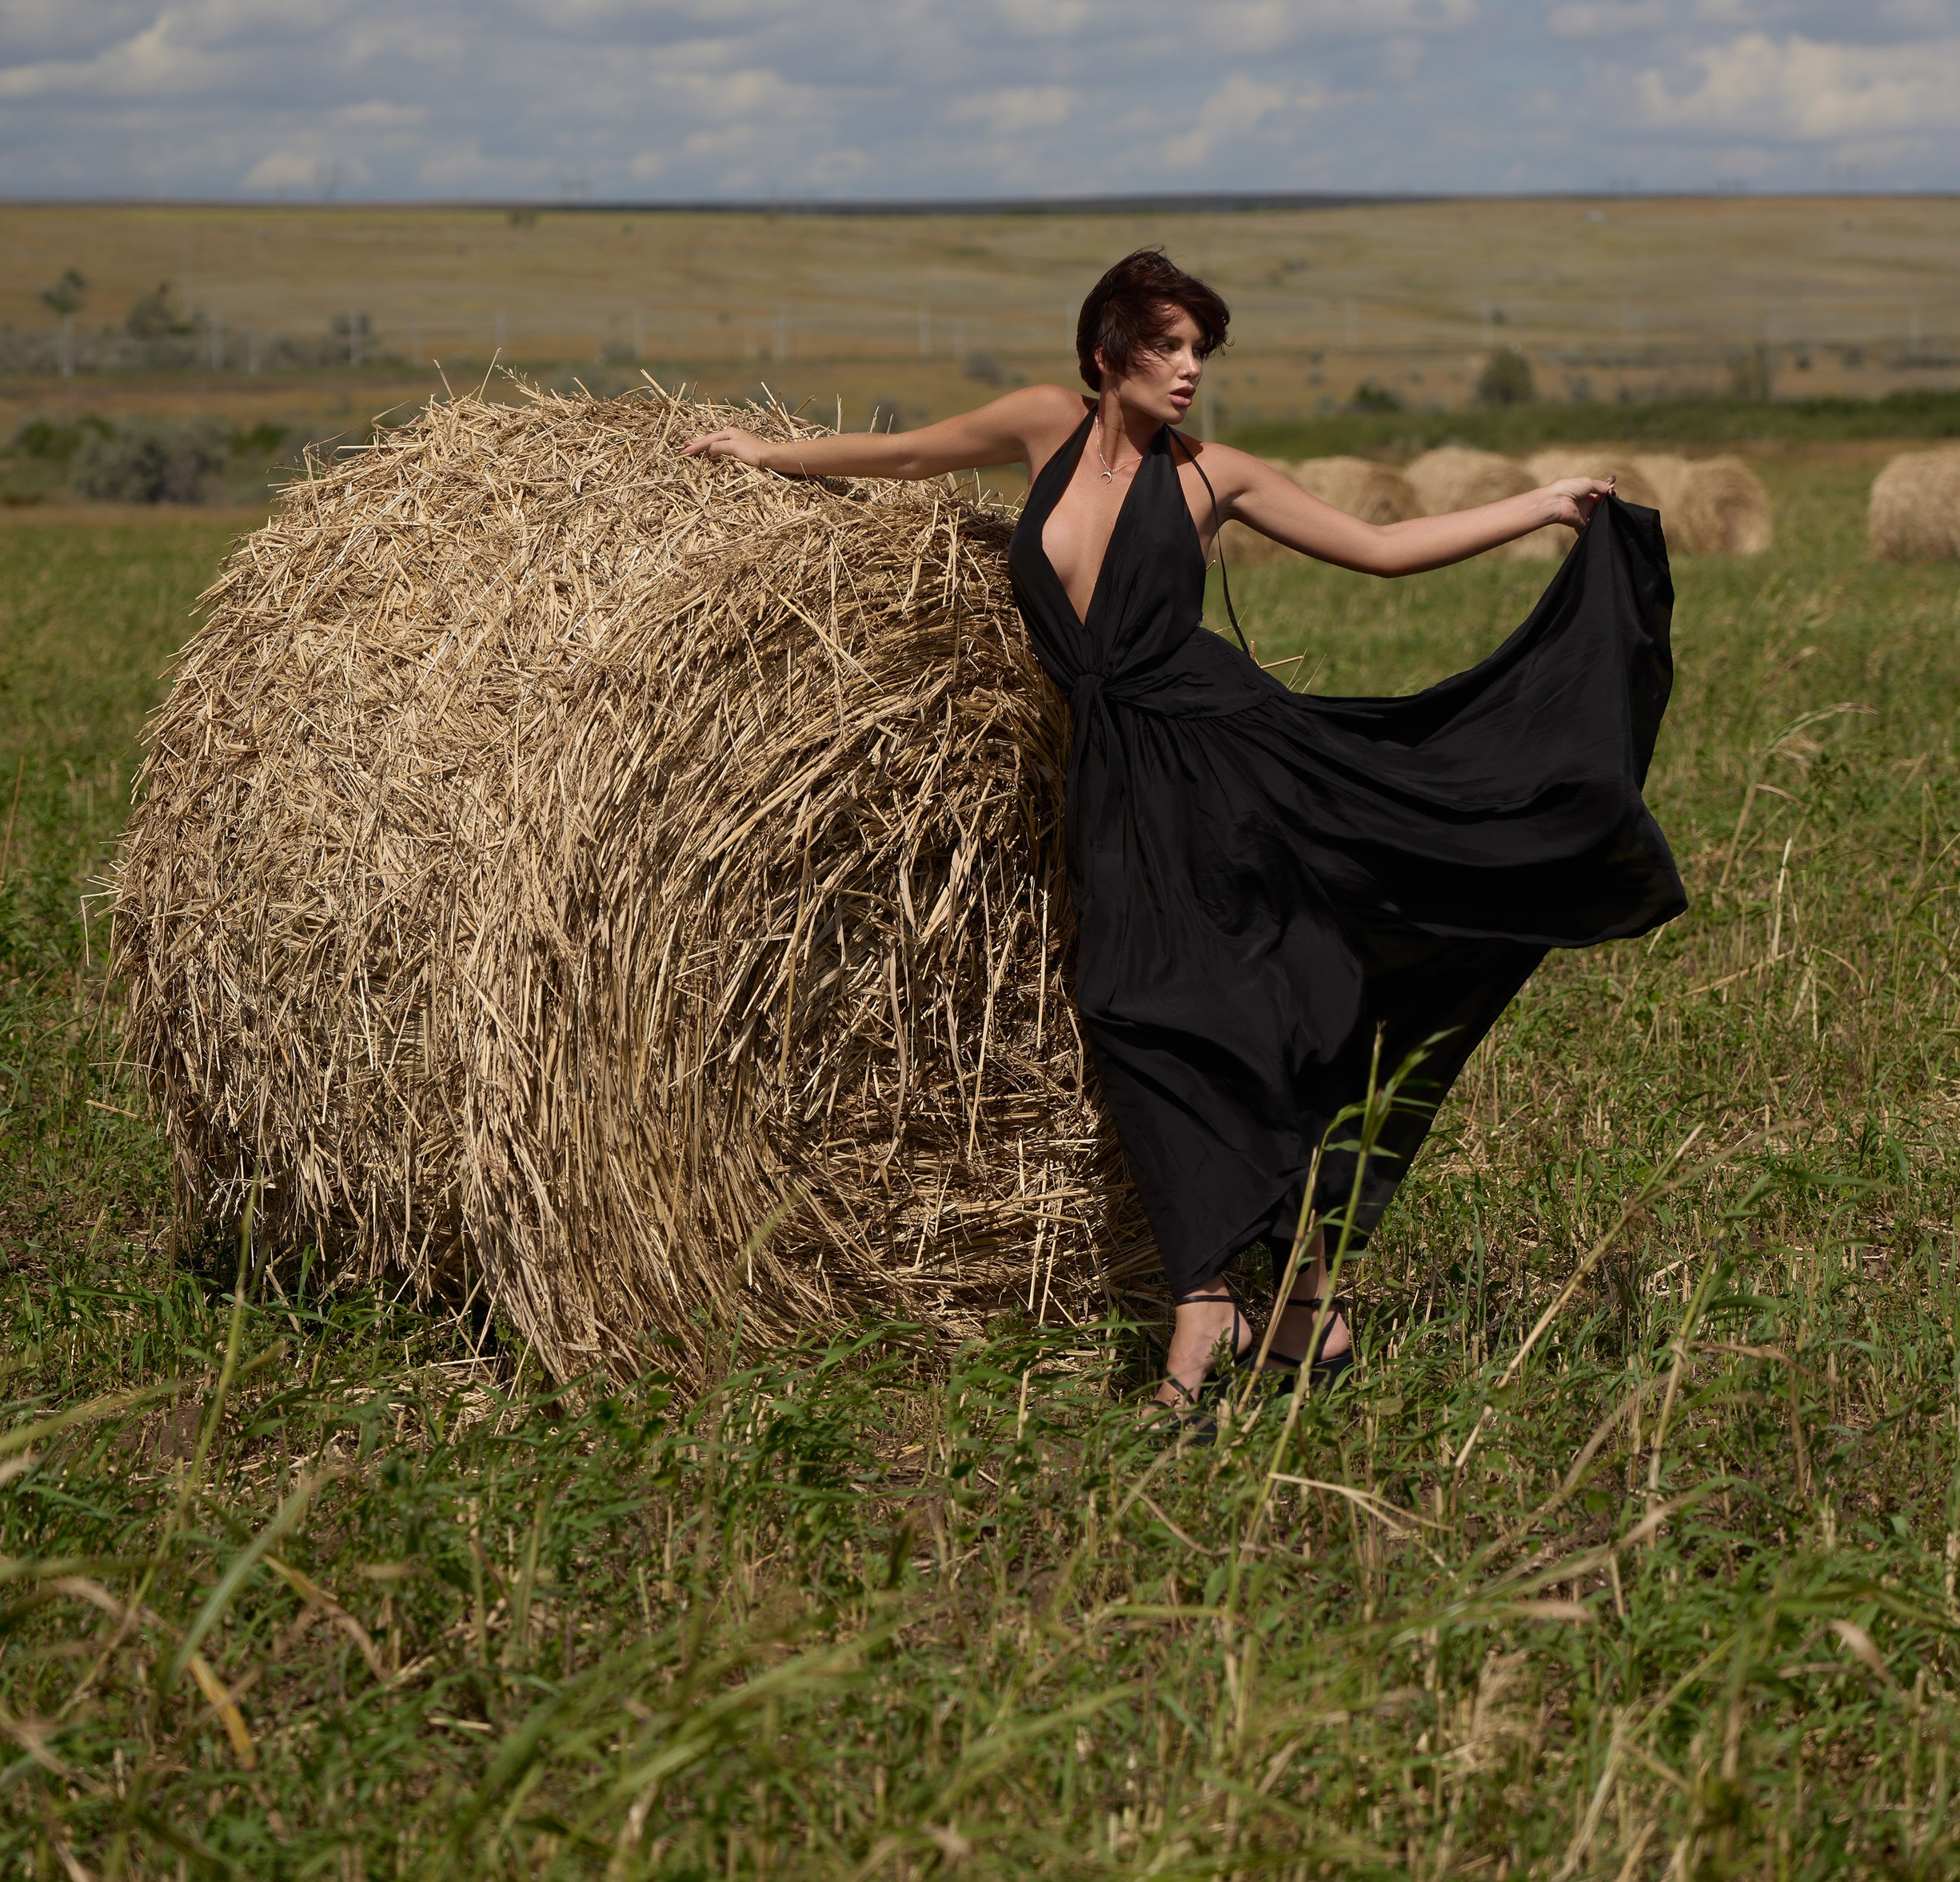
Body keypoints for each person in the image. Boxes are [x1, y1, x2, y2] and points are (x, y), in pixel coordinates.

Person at [686, 248, 1684, 1425]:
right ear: (1107, 353)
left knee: (1227, 1005)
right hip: (1117, 778)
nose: (1190, 370)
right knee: (1134, 1005)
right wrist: (766, 455)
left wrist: (1546, 504)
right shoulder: (1041, 425)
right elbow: (906, 453)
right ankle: (1303, 1304)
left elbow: (1379, 548)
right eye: (1169, 347)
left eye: (1201, 350)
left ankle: (1208, 1303)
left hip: (1228, 764)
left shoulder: (1214, 477)